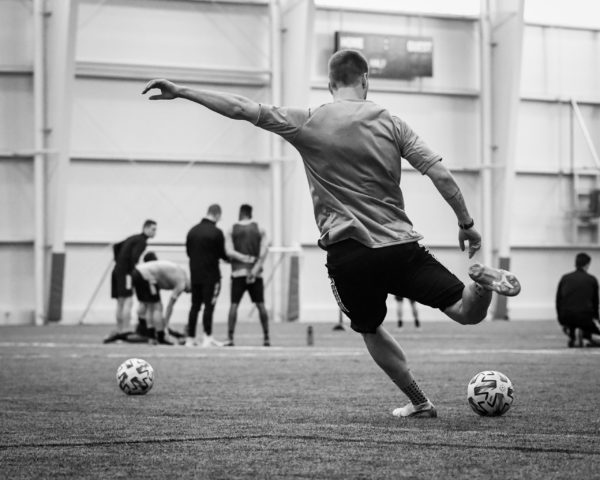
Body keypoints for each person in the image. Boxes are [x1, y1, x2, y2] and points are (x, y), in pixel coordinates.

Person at [142, 49, 521, 418]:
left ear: (329, 84)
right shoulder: (392, 123)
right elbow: (440, 173)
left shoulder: (307, 121)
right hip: (400, 246)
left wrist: (183, 91)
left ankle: (420, 402)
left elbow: (242, 108)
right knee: (466, 311)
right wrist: (466, 224)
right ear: (365, 80)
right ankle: (481, 284)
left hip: (348, 254)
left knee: (370, 328)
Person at [185, 204, 255, 348]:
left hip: (195, 275)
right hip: (211, 276)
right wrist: (233, 259)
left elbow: (188, 252)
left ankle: (190, 338)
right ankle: (207, 337)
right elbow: (223, 254)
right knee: (209, 306)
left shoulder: (192, 231)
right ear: (217, 215)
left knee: (194, 306)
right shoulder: (216, 232)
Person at [224, 204, 271, 347]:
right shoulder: (259, 229)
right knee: (261, 305)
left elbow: (229, 252)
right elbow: (264, 251)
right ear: (251, 213)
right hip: (255, 274)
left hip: (238, 272)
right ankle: (266, 337)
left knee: (234, 305)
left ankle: (230, 338)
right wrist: (255, 268)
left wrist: (244, 258)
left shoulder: (231, 229)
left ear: (241, 213)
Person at [104, 219, 157, 344]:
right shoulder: (142, 241)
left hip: (117, 270)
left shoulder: (133, 238)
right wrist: (133, 271)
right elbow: (134, 257)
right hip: (126, 273)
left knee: (120, 302)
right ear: (145, 228)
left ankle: (120, 329)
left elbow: (116, 246)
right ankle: (125, 331)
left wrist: (119, 261)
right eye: (153, 229)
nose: (155, 232)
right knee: (128, 301)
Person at [556, 252, 600, 347]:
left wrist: (561, 319)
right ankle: (586, 336)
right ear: (587, 264)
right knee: (594, 332)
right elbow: (595, 302)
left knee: (568, 327)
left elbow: (558, 300)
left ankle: (574, 335)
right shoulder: (592, 280)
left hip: (567, 316)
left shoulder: (565, 278)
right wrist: (596, 318)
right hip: (585, 317)